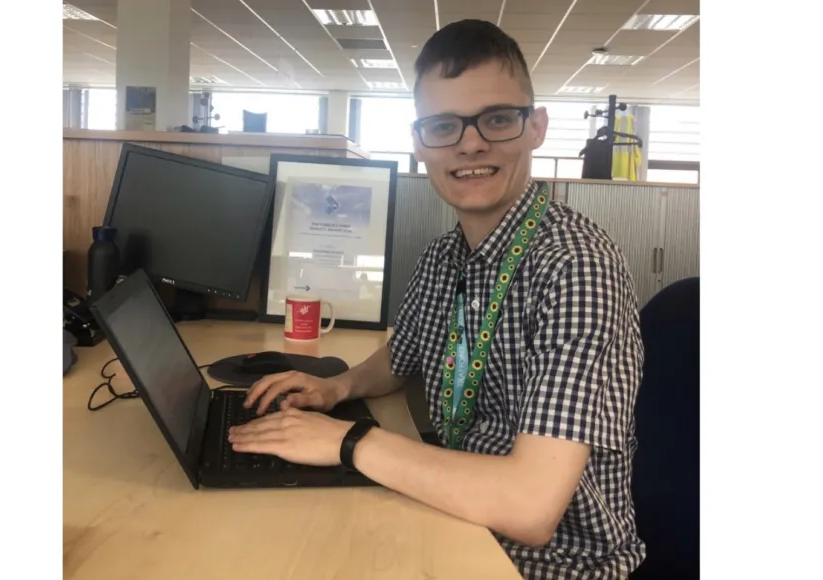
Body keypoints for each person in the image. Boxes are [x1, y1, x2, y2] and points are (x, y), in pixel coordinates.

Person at [229, 19, 646, 579]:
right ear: (420, 141)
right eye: (444, 125)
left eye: (497, 119)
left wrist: (348, 440)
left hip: (550, 562)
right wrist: (337, 387)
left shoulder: (576, 268)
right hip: (460, 513)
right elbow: (401, 359)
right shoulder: (444, 256)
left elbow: (531, 507)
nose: (470, 142)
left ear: (537, 127)